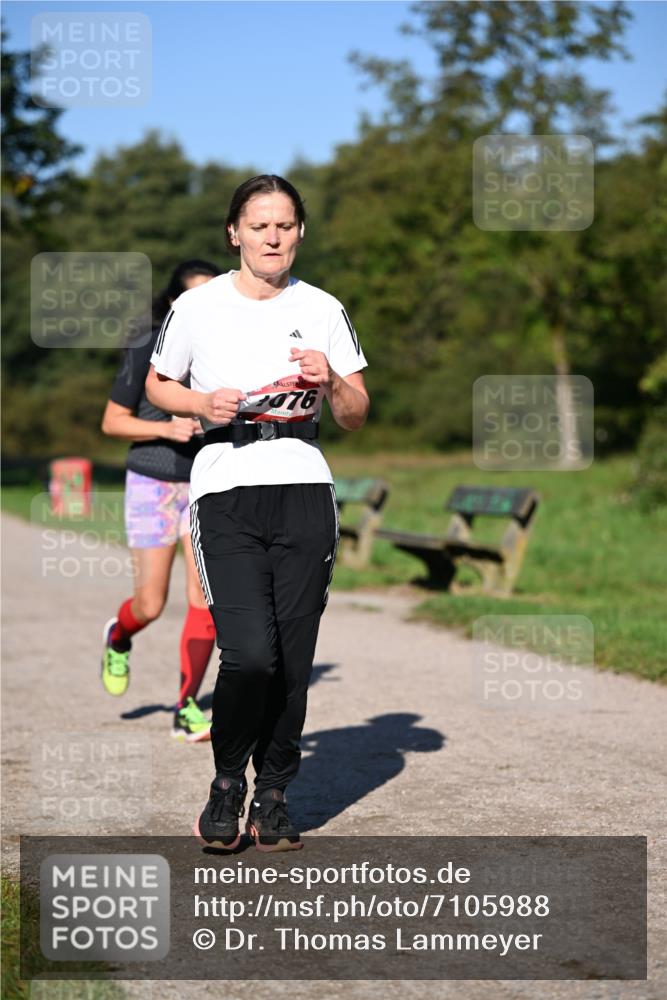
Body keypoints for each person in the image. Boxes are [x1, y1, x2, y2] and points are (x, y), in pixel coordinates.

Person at [146, 175, 369, 851]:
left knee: (293, 660)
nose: (272, 236)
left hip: (303, 484)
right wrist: (199, 404)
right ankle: (224, 784)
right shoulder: (199, 307)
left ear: (300, 232)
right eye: (258, 224)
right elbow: (159, 384)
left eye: (284, 225)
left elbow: (356, 414)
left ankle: (273, 793)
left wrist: (329, 379)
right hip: (224, 487)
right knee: (249, 654)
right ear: (233, 232)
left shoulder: (324, 308)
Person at [100, 259, 221, 743]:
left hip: (207, 482)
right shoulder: (146, 346)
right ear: (173, 304)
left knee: (205, 600)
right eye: (193, 300)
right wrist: (165, 428)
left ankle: (187, 707)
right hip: (152, 480)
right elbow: (112, 422)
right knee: (150, 604)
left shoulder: (229, 351)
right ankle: (119, 635)